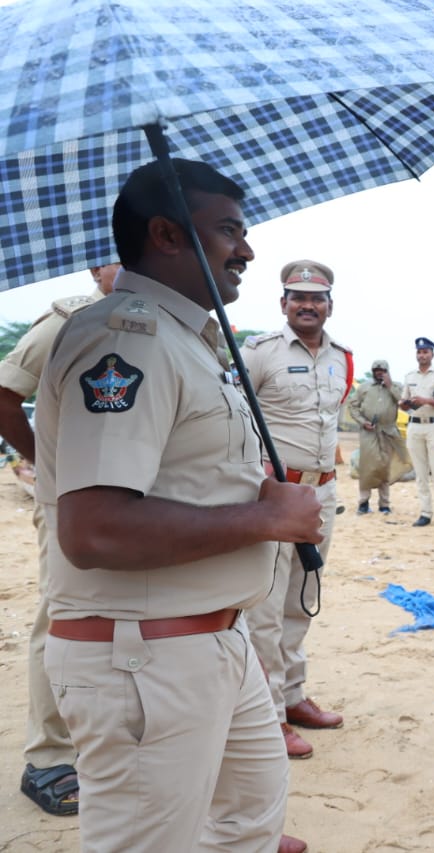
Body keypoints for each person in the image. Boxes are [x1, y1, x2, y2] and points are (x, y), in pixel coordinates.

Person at [36, 159, 320, 852]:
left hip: (217, 639)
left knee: (252, 817)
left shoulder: (189, 344)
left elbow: (185, 478)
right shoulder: (125, 338)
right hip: (144, 657)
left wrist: (258, 490)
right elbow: (94, 529)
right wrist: (266, 518)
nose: (247, 251)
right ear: (166, 233)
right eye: (228, 231)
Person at [1, 264, 119, 817]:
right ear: (96, 265)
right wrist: (45, 467)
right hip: (72, 498)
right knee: (62, 619)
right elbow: (4, 392)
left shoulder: (163, 322)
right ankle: (48, 757)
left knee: (120, 623)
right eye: (116, 252)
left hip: (138, 504)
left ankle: (101, 742)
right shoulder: (66, 322)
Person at [242, 259, 352, 761]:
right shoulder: (259, 352)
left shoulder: (342, 359)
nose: (308, 305)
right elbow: (235, 417)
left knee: (301, 597)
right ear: (282, 303)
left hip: (321, 493)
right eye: (297, 297)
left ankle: (292, 694)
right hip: (273, 491)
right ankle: (269, 714)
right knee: (264, 608)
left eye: (317, 298)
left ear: (330, 304)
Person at [400, 337, 434, 527]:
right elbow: (403, 404)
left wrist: (426, 400)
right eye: (419, 352)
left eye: (425, 352)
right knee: (421, 473)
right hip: (415, 425)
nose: (422, 355)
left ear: (432, 354)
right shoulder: (409, 376)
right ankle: (425, 513)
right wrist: (404, 404)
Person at [348, 359, 410, 514]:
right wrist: (363, 422)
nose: (379, 372)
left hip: (389, 431)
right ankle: (363, 503)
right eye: (376, 370)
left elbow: (403, 403)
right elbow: (352, 406)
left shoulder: (396, 387)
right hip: (369, 432)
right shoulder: (364, 387)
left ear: (387, 371)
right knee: (367, 468)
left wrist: (389, 386)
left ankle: (384, 504)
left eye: (382, 370)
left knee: (385, 468)